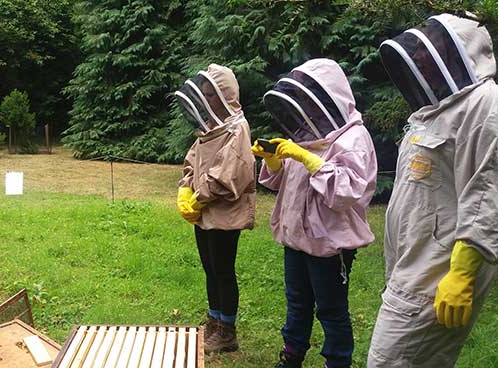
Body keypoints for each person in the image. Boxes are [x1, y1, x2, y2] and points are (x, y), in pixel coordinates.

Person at [367, 13, 498, 368]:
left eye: (433, 48)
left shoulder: (486, 106)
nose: (422, 58)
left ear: (459, 53)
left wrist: (463, 273)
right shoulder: (433, 112)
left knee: (386, 361)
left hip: (437, 273)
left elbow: (488, 193)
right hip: (411, 264)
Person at [252, 58, 377, 368]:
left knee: (331, 309)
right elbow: (284, 183)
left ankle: (337, 361)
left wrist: (310, 160)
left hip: (329, 242)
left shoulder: (354, 139)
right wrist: (273, 160)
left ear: (329, 97)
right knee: (297, 303)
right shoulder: (305, 134)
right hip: (296, 238)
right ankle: (291, 355)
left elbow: (347, 193)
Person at [175, 63, 256, 354]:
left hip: (224, 213)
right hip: (205, 212)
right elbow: (192, 160)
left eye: (211, 95)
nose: (207, 100)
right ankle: (214, 320)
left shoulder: (238, 128)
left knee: (223, 270)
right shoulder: (209, 128)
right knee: (209, 268)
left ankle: (227, 332)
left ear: (224, 94)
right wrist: (186, 186)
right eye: (205, 95)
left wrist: (199, 197)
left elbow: (229, 174)